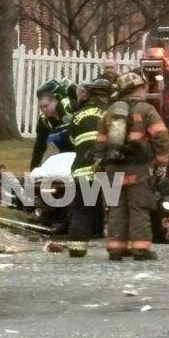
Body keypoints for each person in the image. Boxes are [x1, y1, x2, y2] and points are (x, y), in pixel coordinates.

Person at [95, 69, 169, 261]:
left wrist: (100, 164)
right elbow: (160, 137)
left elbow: (101, 140)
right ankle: (141, 249)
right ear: (139, 88)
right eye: (144, 87)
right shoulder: (146, 110)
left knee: (116, 208)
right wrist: (162, 163)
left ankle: (116, 248)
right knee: (139, 207)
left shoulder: (110, 112)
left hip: (113, 168)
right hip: (138, 168)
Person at [64, 77, 113, 258]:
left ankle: (77, 249)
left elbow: (71, 140)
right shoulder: (110, 112)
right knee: (116, 210)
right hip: (106, 169)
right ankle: (118, 248)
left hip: (83, 169)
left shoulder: (77, 115)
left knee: (83, 210)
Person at [29, 78, 77, 170]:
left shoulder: (72, 107)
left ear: (55, 100)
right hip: (66, 155)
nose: (43, 110)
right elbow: (39, 146)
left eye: (46, 106)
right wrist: (33, 169)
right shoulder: (44, 121)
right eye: (41, 107)